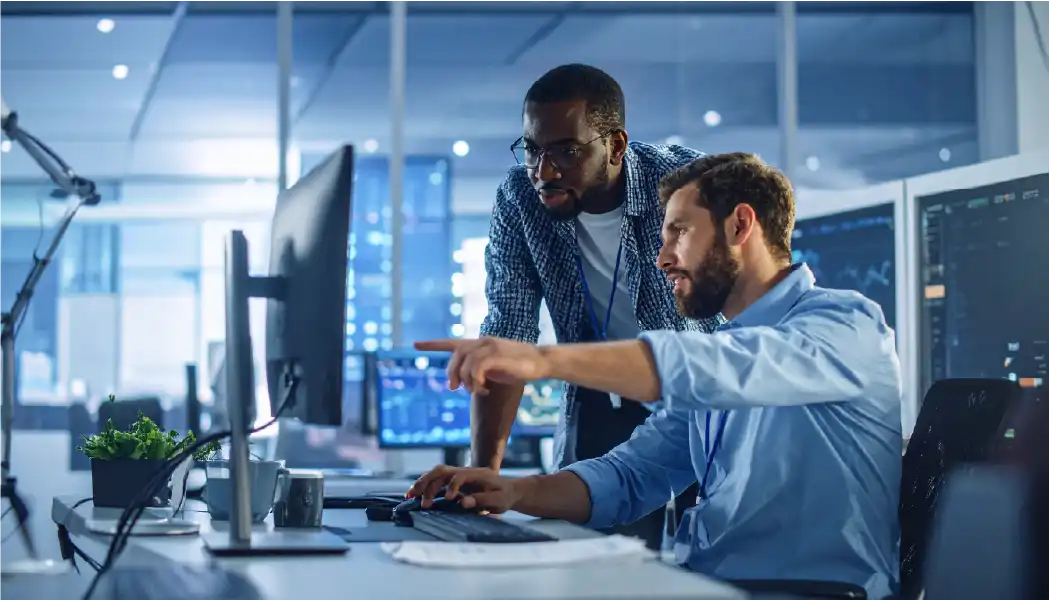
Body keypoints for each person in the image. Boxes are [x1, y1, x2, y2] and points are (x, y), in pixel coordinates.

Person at [410, 153, 902, 598]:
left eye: (680, 232)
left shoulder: (844, 326)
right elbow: (630, 476)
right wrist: (515, 492)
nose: (663, 257)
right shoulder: (721, 354)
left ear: (739, 226)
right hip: (707, 585)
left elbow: (713, 366)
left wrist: (544, 360)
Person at [473, 63, 719, 548]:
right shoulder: (520, 198)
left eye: (566, 150)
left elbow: (752, 295)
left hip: (703, 394)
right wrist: (484, 479)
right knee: (586, 557)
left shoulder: (688, 184)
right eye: (532, 149)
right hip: (602, 393)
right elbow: (509, 330)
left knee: (711, 551)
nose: (544, 171)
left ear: (616, 145)